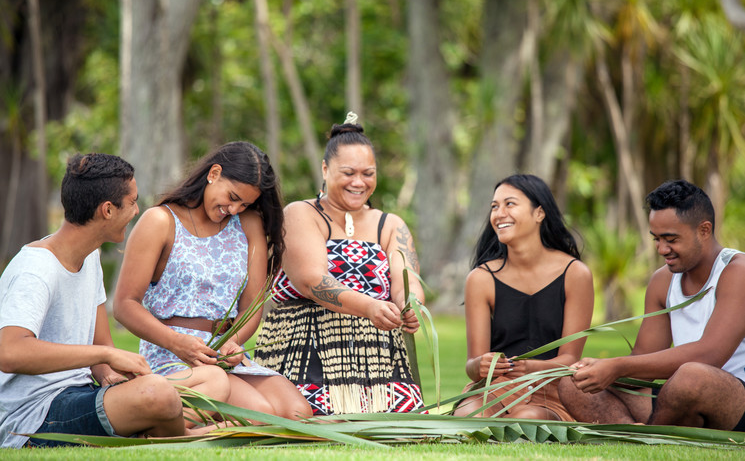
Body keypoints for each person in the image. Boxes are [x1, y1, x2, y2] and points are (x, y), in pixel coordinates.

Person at [0, 153, 230, 449]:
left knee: (213, 380)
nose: (136, 211)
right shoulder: (37, 268)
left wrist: (111, 373)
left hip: (84, 395)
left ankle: (151, 431)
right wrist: (104, 356)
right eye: (132, 202)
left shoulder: (89, 258)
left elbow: (102, 349)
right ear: (107, 210)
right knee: (159, 393)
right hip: (36, 418)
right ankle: (180, 438)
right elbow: (9, 352)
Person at [113, 142, 311, 420]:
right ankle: (161, 428)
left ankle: (184, 426)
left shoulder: (248, 223)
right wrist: (176, 342)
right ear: (213, 173)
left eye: (244, 203)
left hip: (225, 351)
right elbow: (124, 304)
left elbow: (251, 308)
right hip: (173, 353)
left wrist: (235, 342)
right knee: (262, 414)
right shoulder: (160, 221)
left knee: (298, 413)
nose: (233, 209)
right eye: (232, 197)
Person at [254, 113, 425, 415]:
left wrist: (410, 306)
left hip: (380, 364)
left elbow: (406, 281)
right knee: (309, 420)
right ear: (325, 169)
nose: (359, 182)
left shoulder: (390, 225)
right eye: (348, 172)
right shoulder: (301, 214)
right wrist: (370, 307)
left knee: (398, 429)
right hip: (306, 356)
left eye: (368, 173)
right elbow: (312, 281)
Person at [558, 180, 745, 431]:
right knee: (573, 383)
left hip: (732, 399)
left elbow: (709, 356)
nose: (661, 249)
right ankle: (634, 437)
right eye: (656, 239)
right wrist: (598, 369)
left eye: (671, 239)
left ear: (704, 230)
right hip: (678, 394)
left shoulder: (737, 273)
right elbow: (642, 364)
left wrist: (618, 366)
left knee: (691, 377)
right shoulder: (662, 280)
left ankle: (649, 435)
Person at [452, 174, 594, 420]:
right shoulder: (481, 278)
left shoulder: (575, 274)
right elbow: (473, 366)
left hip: (550, 389)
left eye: (510, 204)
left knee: (526, 421)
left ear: (539, 213)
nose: (499, 213)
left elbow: (570, 359)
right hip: (495, 389)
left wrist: (532, 368)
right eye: (494, 207)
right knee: (469, 416)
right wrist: (481, 365)